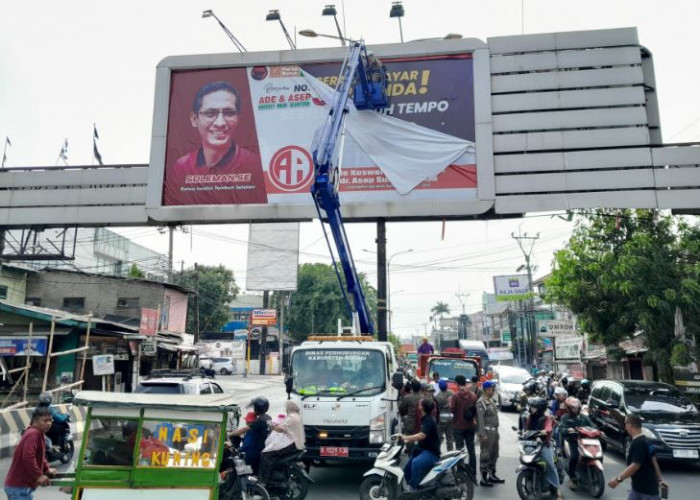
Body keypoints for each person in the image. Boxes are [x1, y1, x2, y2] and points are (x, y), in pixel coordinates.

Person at [166, 80, 267, 205]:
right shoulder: (181, 167)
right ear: (194, 119)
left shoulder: (256, 166)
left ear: (238, 119)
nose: (220, 123)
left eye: (229, 113)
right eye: (210, 113)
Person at [608, 414, 668, 499]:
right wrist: (660, 480)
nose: (625, 427)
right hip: (641, 489)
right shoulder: (647, 441)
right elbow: (654, 461)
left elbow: (635, 465)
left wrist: (618, 479)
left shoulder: (638, 443)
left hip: (645, 491)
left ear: (629, 425)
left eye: (625, 424)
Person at [4, 408, 57, 500]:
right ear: (35, 422)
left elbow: (40, 456)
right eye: (45, 421)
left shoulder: (38, 433)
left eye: (50, 420)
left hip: (20, 488)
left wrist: (47, 469)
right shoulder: (33, 434)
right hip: (19, 488)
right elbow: (28, 456)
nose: (48, 423)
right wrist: (38, 476)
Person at [523, 397, 563, 500]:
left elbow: (548, 429)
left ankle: (558, 490)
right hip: (531, 444)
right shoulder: (530, 417)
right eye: (531, 406)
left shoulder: (547, 418)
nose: (531, 408)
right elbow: (526, 430)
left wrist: (543, 432)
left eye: (534, 407)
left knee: (550, 465)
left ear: (540, 408)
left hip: (544, 445)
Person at [259, 400, 305, 486]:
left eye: (287, 407)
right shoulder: (297, 416)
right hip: (296, 443)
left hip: (291, 443)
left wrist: (272, 426)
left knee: (265, 454)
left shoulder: (292, 417)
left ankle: (264, 480)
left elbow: (281, 429)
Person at [400, 398, 441, 491]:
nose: (418, 404)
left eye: (420, 403)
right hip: (422, 450)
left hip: (431, 453)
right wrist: (406, 440)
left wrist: (406, 437)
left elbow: (422, 435)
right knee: (407, 470)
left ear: (422, 407)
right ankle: (413, 485)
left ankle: (414, 489)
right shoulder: (425, 418)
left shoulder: (428, 420)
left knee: (416, 463)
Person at [559, 397, 594, 491]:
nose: (575, 409)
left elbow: (593, 425)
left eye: (576, 407)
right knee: (574, 457)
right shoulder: (565, 417)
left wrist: (598, 431)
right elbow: (561, 429)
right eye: (573, 408)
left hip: (585, 440)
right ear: (568, 408)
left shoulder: (584, 417)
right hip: (572, 440)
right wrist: (568, 430)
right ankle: (572, 477)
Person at [229, 397, 270, 474]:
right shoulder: (267, 418)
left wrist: (229, 434)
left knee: (239, 466)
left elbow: (244, 430)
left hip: (254, 453)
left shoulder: (259, 421)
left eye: (254, 407)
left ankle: (244, 483)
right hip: (262, 450)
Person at [476, 380, 505, 487]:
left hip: (494, 431)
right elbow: (480, 420)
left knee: (494, 453)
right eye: (492, 389)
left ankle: (492, 474)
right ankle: (483, 478)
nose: (493, 391)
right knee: (485, 455)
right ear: (487, 389)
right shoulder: (481, 402)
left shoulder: (490, 400)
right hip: (487, 431)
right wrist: (482, 434)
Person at [451, 374, 477, 476]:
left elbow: (452, 409)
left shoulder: (455, 396)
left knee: (460, 450)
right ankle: (473, 471)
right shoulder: (473, 395)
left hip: (458, 426)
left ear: (457, 384)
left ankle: (460, 471)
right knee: (471, 449)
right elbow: (475, 410)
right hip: (470, 426)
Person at [435, 380, 454, 452]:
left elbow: (437, 408)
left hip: (442, 417)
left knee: (439, 437)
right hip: (451, 416)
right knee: (450, 437)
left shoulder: (438, 396)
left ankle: (437, 452)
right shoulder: (451, 392)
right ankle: (450, 452)